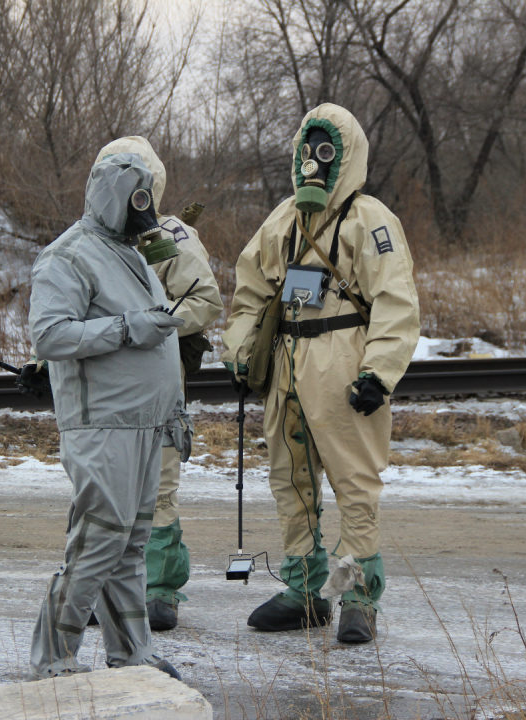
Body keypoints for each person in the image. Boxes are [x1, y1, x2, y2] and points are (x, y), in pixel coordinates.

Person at [221, 103, 420, 644]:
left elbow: (396, 301)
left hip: (342, 357)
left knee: (353, 479)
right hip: (288, 360)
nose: (315, 161)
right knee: (292, 479)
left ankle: (356, 595)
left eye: (327, 151)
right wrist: (239, 352)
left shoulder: (370, 220)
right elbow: (249, 293)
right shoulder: (283, 220)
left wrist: (378, 373)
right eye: (308, 149)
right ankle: (305, 593)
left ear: (346, 156)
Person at [21, 136, 222, 632]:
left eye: (143, 189)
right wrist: (50, 363)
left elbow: (200, 301)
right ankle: (57, 652)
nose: (137, 200)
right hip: (107, 415)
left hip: (149, 411)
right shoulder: (74, 253)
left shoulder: (154, 244)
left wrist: (160, 331)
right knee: (102, 533)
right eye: (128, 188)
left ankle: (143, 627)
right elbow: (58, 327)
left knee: (139, 528)